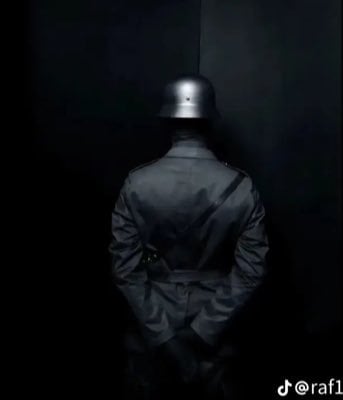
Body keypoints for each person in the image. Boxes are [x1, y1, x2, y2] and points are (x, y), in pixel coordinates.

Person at [109, 74, 269, 400]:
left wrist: (165, 338)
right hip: (216, 328)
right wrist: (201, 332)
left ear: (167, 120)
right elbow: (251, 271)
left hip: (152, 324)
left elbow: (125, 269)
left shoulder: (137, 183)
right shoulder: (240, 186)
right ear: (210, 120)